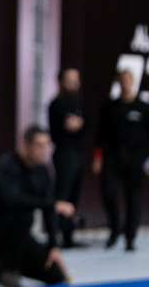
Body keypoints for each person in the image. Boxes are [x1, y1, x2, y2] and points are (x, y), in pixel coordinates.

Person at [0, 125, 73, 287]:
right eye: (39, 145)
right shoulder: (6, 165)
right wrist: (53, 204)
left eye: (46, 145)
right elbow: (13, 200)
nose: (43, 151)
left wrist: (54, 246)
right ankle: (9, 271)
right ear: (26, 144)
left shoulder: (43, 170)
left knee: (55, 274)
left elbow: (49, 210)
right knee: (24, 216)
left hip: (21, 235)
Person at [92, 69, 149, 251]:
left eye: (128, 80)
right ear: (118, 82)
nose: (125, 84)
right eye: (122, 80)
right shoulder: (109, 106)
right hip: (113, 157)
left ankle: (130, 237)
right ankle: (115, 228)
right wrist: (97, 157)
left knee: (133, 198)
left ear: (133, 82)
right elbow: (100, 135)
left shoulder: (143, 107)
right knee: (108, 192)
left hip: (136, 158)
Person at [48, 67, 86, 247]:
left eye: (75, 80)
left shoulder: (79, 103)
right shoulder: (55, 104)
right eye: (69, 80)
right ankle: (53, 238)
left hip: (78, 154)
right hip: (64, 154)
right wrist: (70, 126)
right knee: (62, 196)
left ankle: (68, 237)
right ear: (61, 82)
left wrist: (81, 124)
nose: (72, 84)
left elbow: (89, 124)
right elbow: (55, 134)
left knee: (73, 197)